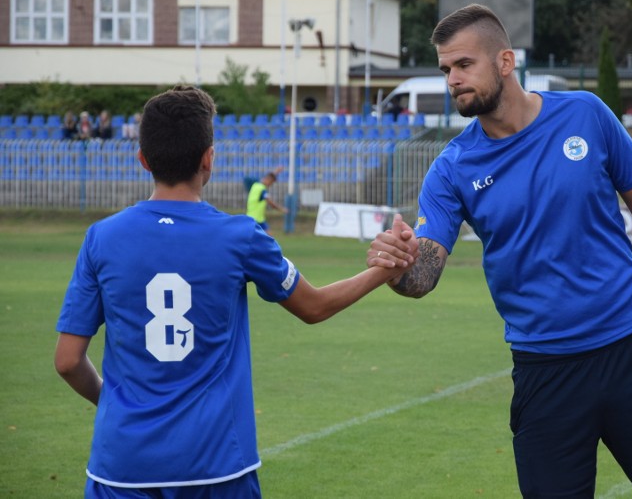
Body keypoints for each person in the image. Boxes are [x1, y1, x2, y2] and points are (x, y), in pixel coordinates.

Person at [368, 4, 632, 498]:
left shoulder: (585, 113)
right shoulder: (451, 169)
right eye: (445, 70)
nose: (452, 79)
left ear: (505, 62)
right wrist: (399, 265)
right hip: (546, 371)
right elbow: (423, 275)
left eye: (463, 64)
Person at [54, 85, 418, 498]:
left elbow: (68, 361)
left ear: (142, 160)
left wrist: (111, 403)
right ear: (209, 159)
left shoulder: (101, 238)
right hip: (216, 466)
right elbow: (314, 307)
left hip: (120, 468)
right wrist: (386, 268)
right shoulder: (240, 236)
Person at [246, 166, 288, 234]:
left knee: (267, 238)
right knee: (268, 238)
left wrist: (276, 172)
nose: (270, 185)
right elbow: (271, 203)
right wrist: (282, 209)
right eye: (271, 183)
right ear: (268, 180)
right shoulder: (262, 190)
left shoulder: (256, 185)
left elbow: (269, 176)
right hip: (256, 219)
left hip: (254, 218)